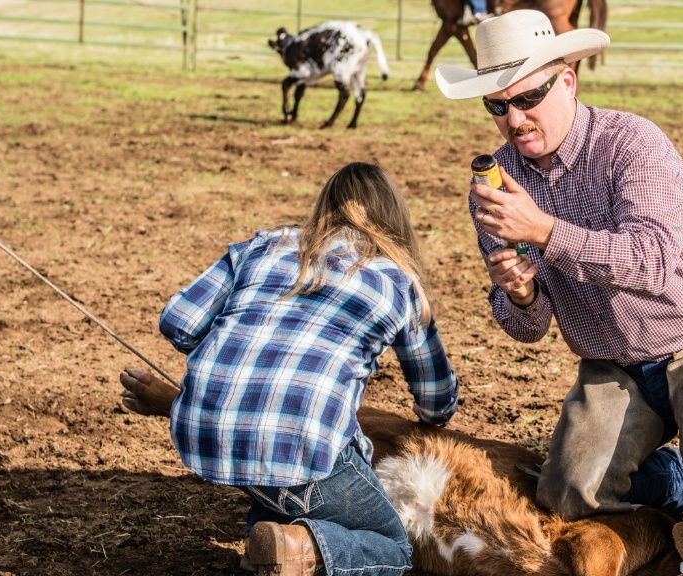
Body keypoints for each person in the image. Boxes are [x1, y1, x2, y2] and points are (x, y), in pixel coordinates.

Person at [435, 10, 683, 576]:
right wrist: (518, 294)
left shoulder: (632, 144)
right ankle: (674, 480)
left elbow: (653, 263)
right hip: (614, 363)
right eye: (497, 105)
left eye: (528, 97)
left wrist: (543, 231)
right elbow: (527, 329)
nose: (514, 119)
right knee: (566, 492)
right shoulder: (495, 187)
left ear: (567, 81)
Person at [123, 162, 459, 576]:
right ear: (394, 219)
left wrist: (231, 344)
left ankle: (271, 542)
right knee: (392, 547)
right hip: (301, 448)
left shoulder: (264, 243)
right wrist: (435, 418)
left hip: (204, 436)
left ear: (324, 205)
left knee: (285, 492)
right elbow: (436, 395)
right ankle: (302, 550)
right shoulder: (400, 282)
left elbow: (178, 321)